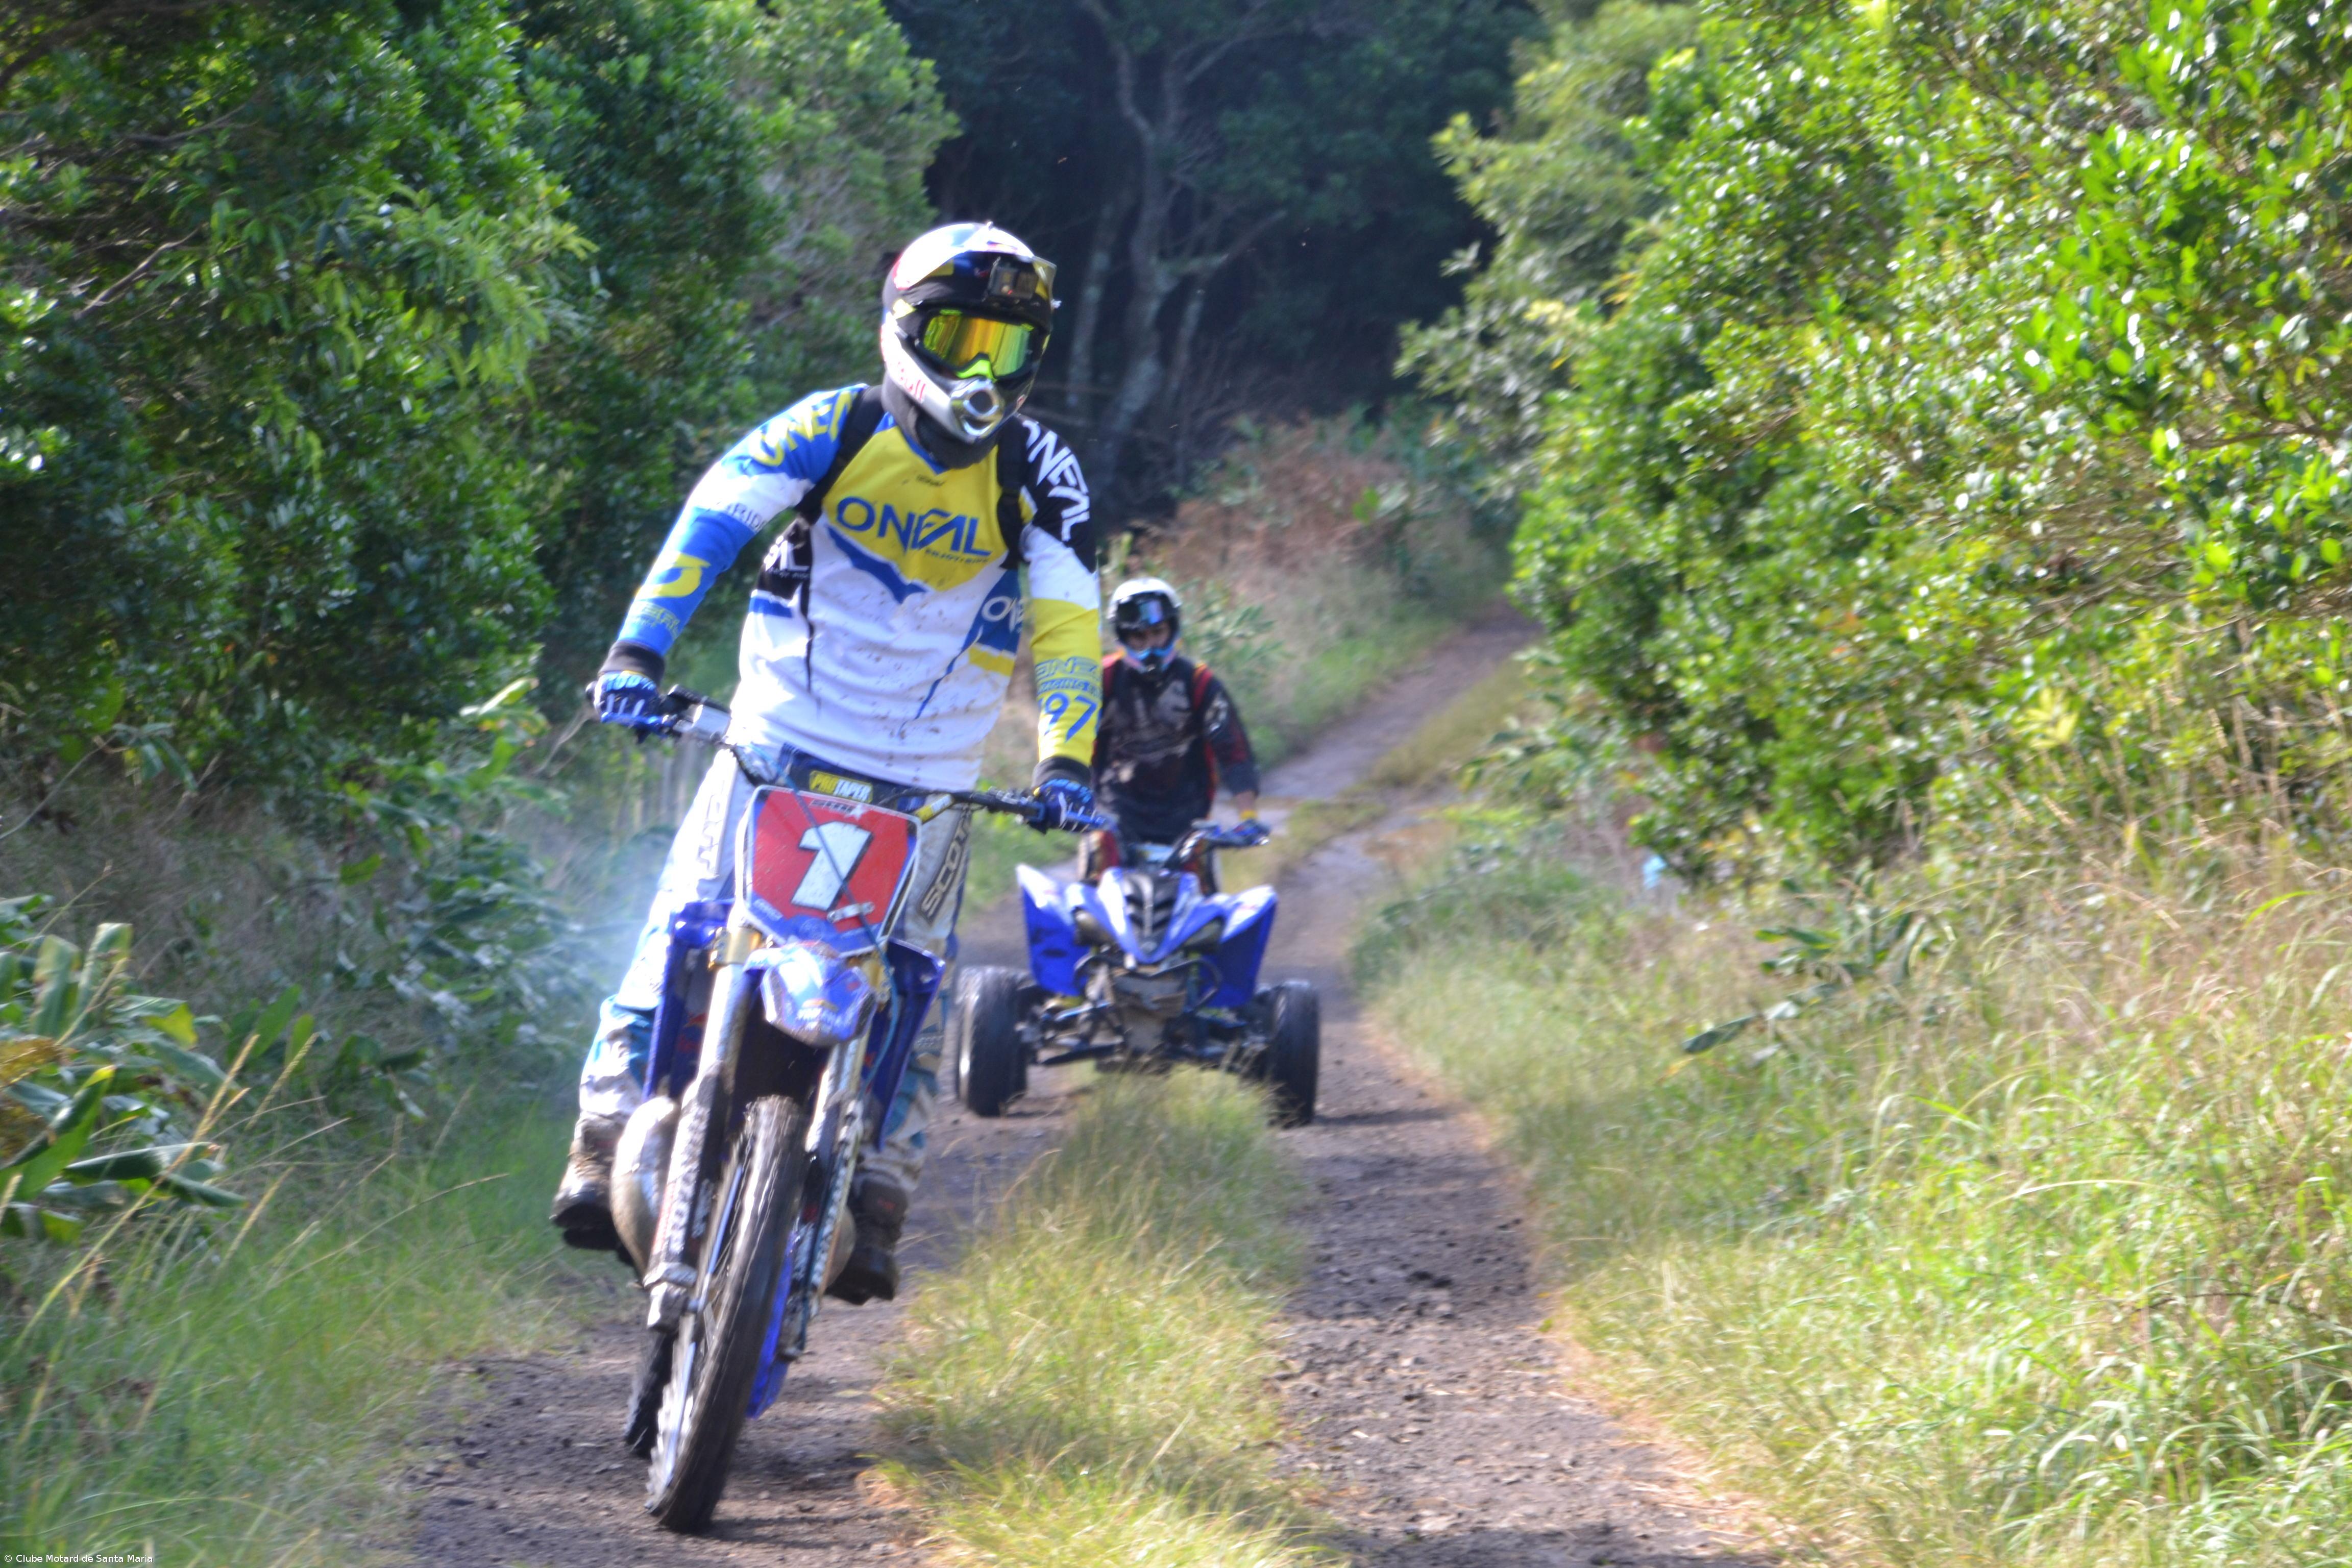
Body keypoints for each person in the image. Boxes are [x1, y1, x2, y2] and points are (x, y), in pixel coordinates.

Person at [550, 223, 1101, 1305]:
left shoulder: (1041, 471)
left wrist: (1067, 759)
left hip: (936, 781)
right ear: (905, 331)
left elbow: (1071, 626)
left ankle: (883, 1179)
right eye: (959, 338)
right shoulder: (834, 424)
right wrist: (635, 653)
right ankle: (605, 1120)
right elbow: (711, 523)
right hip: (775, 744)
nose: (981, 368)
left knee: (916, 976)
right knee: (681, 922)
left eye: (1006, 346)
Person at [1083, 577, 1267, 889]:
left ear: (1172, 629)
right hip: (1116, 819)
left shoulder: (1198, 682)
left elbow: (1234, 751)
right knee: (1089, 897)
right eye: (1139, 636)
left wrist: (1248, 816)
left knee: (1206, 921)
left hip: (1189, 824)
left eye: (1157, 632)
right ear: (1123, 636)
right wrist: (1066, 797)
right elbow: (1075, 743)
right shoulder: (1102, 680)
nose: (1150, 645)